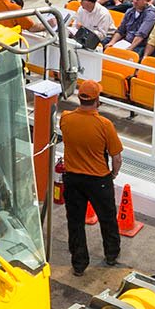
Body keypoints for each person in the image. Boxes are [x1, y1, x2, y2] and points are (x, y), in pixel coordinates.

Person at [55, 82, 125, 272]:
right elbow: (116, 157)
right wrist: (113, 173)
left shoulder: (66, 119)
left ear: (80, 98)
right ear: (97, 100)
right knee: (107, 219)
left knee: (75, 222)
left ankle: (78, 265)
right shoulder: (104, 125)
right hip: (98, 181)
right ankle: (111, 254)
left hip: (73, 179)